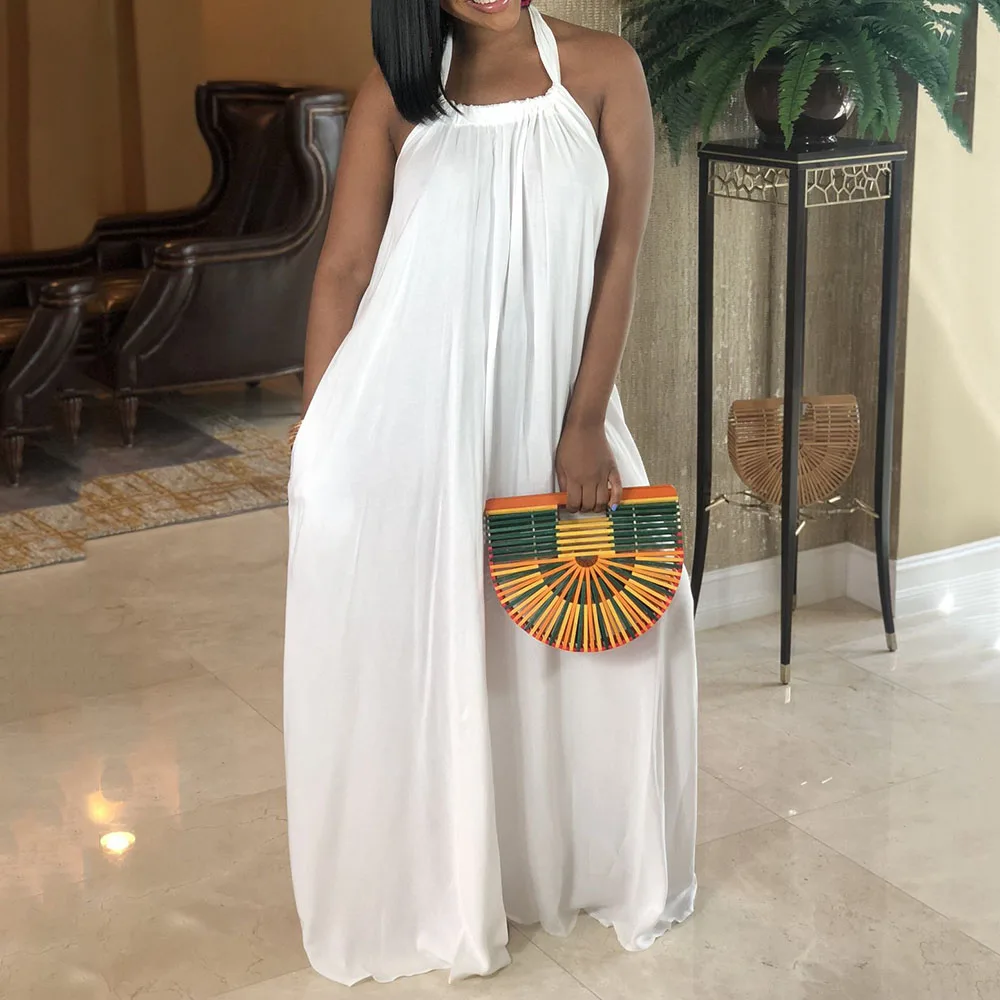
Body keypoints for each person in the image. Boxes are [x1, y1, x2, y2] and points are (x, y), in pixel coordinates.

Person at [283, 0, 698, 986]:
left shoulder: (605, 70)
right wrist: (317, 441)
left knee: (619, 639)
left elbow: (619, 255)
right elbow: (344, 271)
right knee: (439, 650)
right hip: (412, 424)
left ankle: (579, 861)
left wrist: (585, 420)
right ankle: (443, 877)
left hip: (551, 416)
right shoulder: (396, 92)